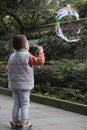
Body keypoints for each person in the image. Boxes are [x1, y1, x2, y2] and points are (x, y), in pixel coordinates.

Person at [6, 35, 45, 130]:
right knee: (24, 103)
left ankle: (15, 122)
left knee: (16, 103)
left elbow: (7, 68)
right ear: (25, 46)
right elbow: (40, 61)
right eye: (27, 42)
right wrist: (41, 52)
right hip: (24, 85)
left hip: (14, 85)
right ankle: (24, 122)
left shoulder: (11, 56)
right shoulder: (27, 56)